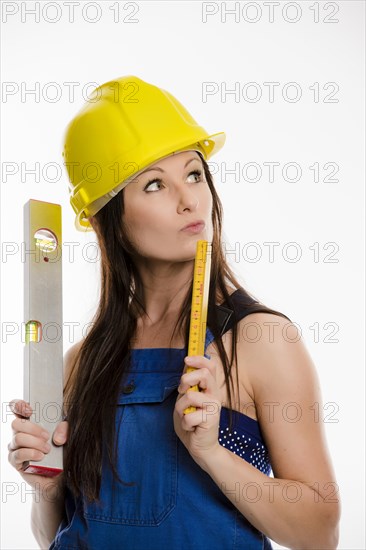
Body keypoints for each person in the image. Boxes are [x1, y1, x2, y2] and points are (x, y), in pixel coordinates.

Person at [8, 75, 340, 549]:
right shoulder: (82, 363)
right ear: (110, 218)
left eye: (193, 173)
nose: (189, 199)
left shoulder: (260, 341)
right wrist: (46, 485)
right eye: (155, 184)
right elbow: (54, 536)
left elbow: (319, 533)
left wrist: (211, 452)